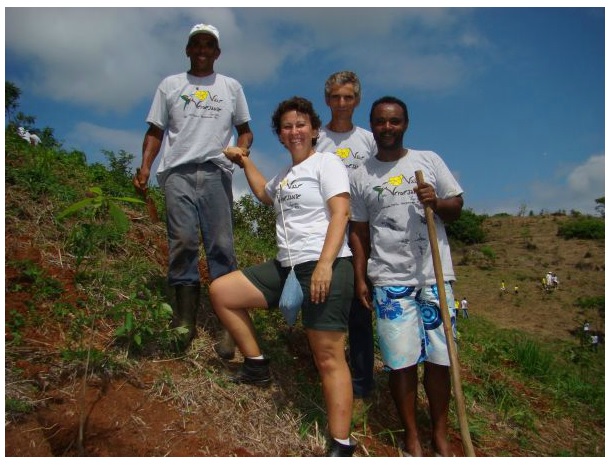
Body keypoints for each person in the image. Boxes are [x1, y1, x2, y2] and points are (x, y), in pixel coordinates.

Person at [211, 96, 357, 457]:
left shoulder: (327, 163)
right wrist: (245, 160)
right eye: (287, 126)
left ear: (314, 130)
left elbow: (341, 213)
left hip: (327, 266)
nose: (294, 131)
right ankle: (257, 364)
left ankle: (341, 443)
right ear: (279, 134)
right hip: (286, 267)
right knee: (222, 292)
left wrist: (325, 264)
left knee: (328, 356)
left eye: (301, 124)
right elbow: (264, 193)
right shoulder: (287, 175)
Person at [349, 96, 463, 457]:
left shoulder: (428, 161)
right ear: (373, 125)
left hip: (433, 277)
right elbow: (359, 232)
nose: (387, 128)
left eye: (394, 121)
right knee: (401, 362)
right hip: (389, 280)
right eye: (381, 122)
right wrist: (360, 276)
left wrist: (437, 202)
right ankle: (411, 434)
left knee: (440, 360)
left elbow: (456, 206)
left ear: (406, 124)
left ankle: (440, 432)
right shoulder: (361, 174)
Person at [133, 23, 253, 356]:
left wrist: (241, 150)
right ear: (188, 49)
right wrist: (145, 165)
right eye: (196, 44)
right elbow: (155, 131)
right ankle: (183, 322)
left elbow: (245, 131)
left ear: (217, 52)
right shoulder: (170, 85)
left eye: (209, 45)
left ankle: (231, 327)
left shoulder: (231, 87)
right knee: (183, 242)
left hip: (216, 173)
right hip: (177, 173)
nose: (202, 50)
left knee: (221, 247)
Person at [317, 71, 377, 404]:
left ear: (357, 100)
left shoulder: (368, 140)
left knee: (359, 306)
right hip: (325, 233)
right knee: (326, 304)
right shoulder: (316, 138)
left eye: (349, 97)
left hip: (360, 232)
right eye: (336, 97)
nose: (342, 104)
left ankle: (363, 382)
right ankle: (327, 373)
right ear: (327, 100)